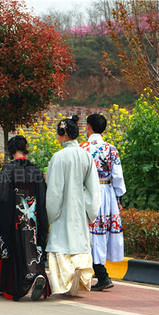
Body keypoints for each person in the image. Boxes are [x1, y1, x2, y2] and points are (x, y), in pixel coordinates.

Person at [45, 115, 101, 296]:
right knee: (79, 243)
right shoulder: (86, 156)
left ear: (64, 134)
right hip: (79, 209)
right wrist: (91, 210)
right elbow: (93, 188)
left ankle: (64, 281)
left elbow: (54, 190)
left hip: (63, 210)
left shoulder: (58, 158)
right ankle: (80, 271)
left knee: (61, 244)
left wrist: (51, 213)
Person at [0, 135, 51, 301]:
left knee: (16, 252)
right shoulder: (36, 171)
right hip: (33, 217)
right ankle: (37, 275)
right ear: (26, 149)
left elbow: (2, 198)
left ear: (11, 151)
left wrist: (2, 220)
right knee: (33, 249)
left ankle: (16, 287)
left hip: (15, 219)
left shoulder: (8, 170)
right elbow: (43, 197)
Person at [81, 113, 126, 291]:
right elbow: (118, 177)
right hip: (107, 192)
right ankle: (100, 273)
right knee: (101, 232)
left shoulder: (82, 148)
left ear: (89, 127)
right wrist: (118, 198)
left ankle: (100, 274)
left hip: (88, 193)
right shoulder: (111, 149)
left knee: (89, 233)